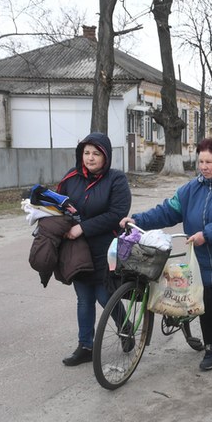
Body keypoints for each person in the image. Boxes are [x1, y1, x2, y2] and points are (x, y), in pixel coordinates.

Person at [121, 138, 212, 371]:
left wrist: (207, 234)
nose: (204, 167)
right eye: (201, 161)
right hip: (205, 260)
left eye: (209, 162)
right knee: (206, 304)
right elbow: (168, 211)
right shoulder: (191, 188)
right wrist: (138, 220)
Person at [56, 132, 132, 366]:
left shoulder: (116, 180)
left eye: (96, 154)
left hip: (104, 247)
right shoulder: (72, 177)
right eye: (86, 153)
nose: (90, 158)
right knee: (83, 298)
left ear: (105, 156)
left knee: (104, 294)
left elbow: (116, 214)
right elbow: (58, 203)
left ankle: (125, 327)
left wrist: (83, 228)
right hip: (77, 249)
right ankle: (85, 346)